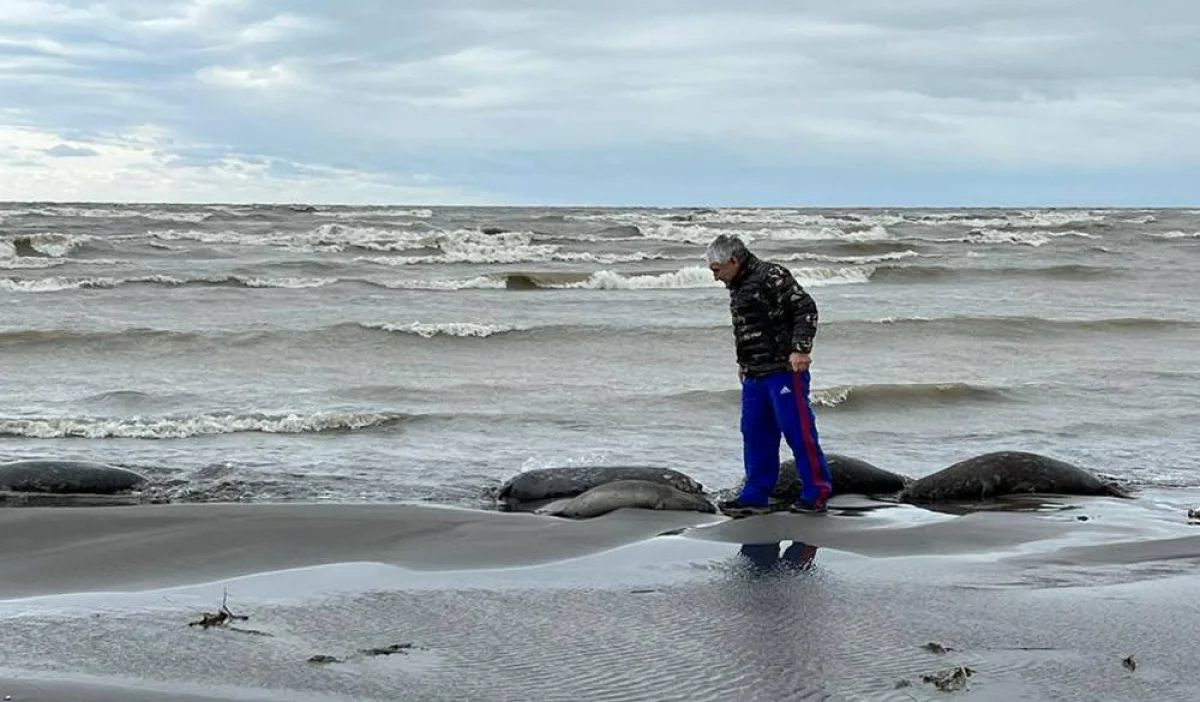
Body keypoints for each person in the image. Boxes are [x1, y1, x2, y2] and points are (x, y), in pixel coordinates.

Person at [705, 234, 833, 516]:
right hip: (754, 373)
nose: (715, 277)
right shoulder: (736, 285)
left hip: (785, 370)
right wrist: (744, 363)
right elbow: (748, 329)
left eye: (717, 270)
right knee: (754, 433)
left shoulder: (772, 275)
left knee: (798, 432)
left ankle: (816, 492)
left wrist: (801, 349)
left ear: (734, 261)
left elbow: (805, 308)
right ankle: (755, 494)